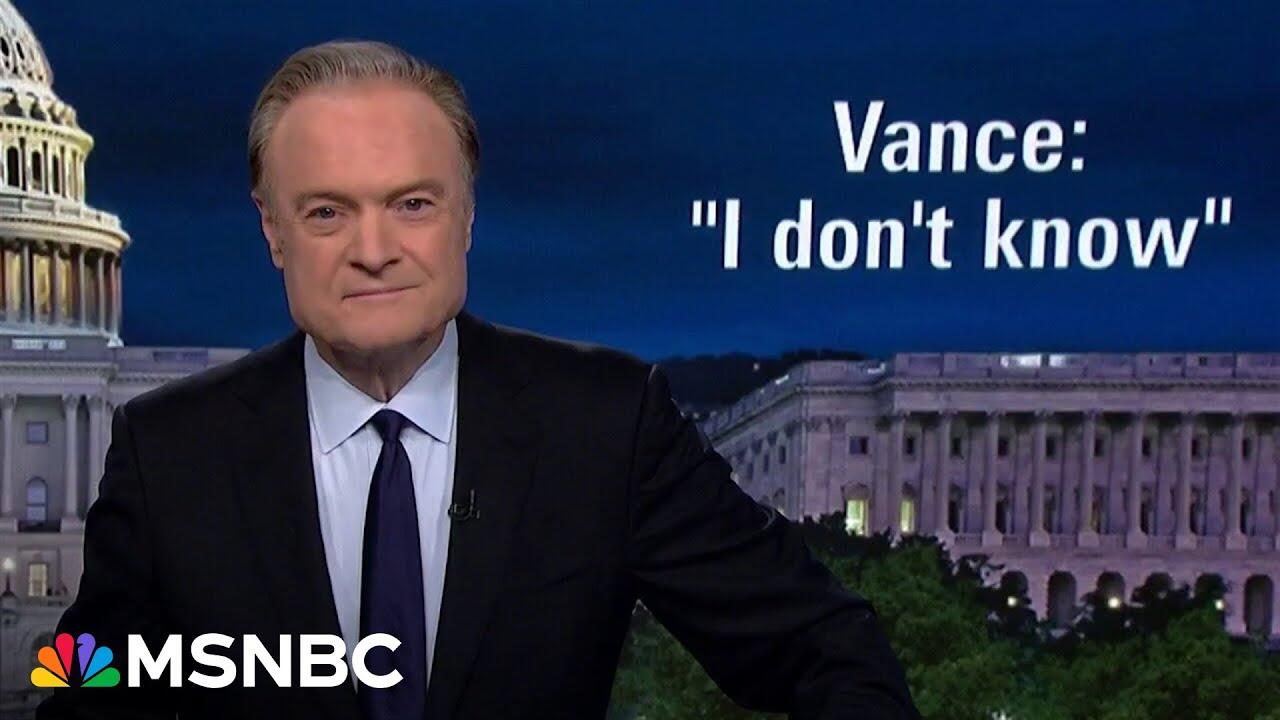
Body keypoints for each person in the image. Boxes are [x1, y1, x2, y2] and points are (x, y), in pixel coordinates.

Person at [39, 40, 919, 720]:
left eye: (412, 204)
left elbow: (827, 648)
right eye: (327, 212)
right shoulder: (169, 450)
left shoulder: (606, 426)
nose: (374, 250)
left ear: (466, 215)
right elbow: (84, 688)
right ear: (273, 231)